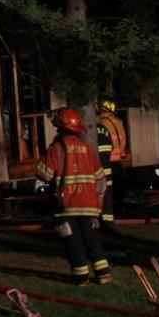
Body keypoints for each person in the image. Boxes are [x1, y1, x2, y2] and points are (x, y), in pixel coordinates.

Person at [36, 108, 111, 286]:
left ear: (61, 129)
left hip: (66, 205)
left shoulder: (56, 149)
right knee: (91, 238)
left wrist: (42, 161)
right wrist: (98, 204)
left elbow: (44, 175)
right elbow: (101, 181)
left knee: (72, 240)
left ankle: (81, 277)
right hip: (89, 205)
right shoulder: (88, 150)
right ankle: (103, 274)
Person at [96, 98, 127, 223]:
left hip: (108, 160)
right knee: (119, 187)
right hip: (119, 159)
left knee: (108, 190)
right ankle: (119, 210)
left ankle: (108, 213)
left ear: (104, 109)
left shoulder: (103, 123)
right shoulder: (118, 121)